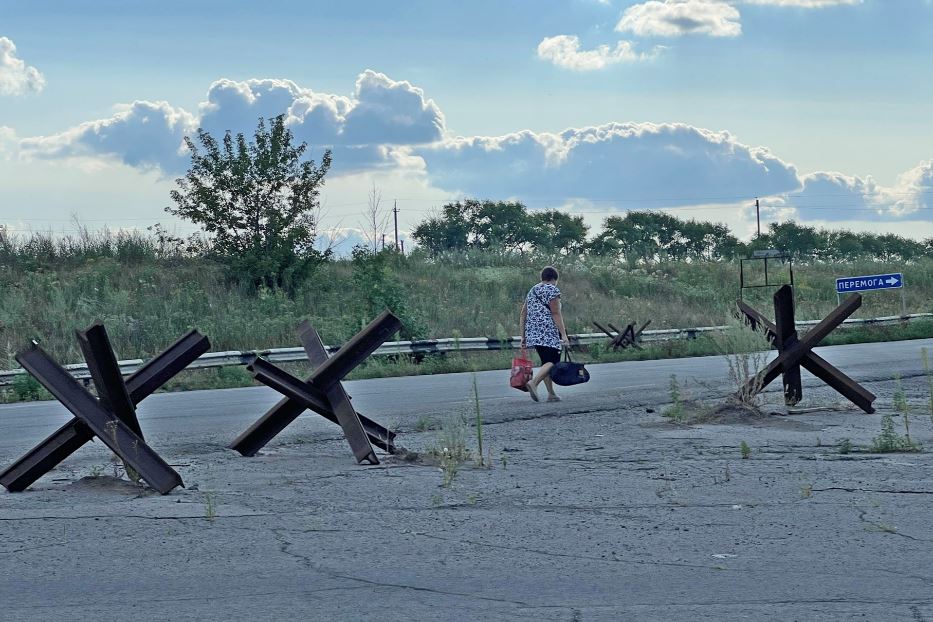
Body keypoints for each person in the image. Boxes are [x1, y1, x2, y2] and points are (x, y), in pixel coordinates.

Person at [519, 265, 569, 402]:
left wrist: (523, 335)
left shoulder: (533, 290)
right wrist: (563, 334)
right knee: (553, 362)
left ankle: (551, 394)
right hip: (547, 332)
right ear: (554, 279)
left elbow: (523, 313)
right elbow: (555, 313)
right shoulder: (552, 290)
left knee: (546, 363)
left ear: (542, 278)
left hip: (533, 333)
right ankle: (534, 383)